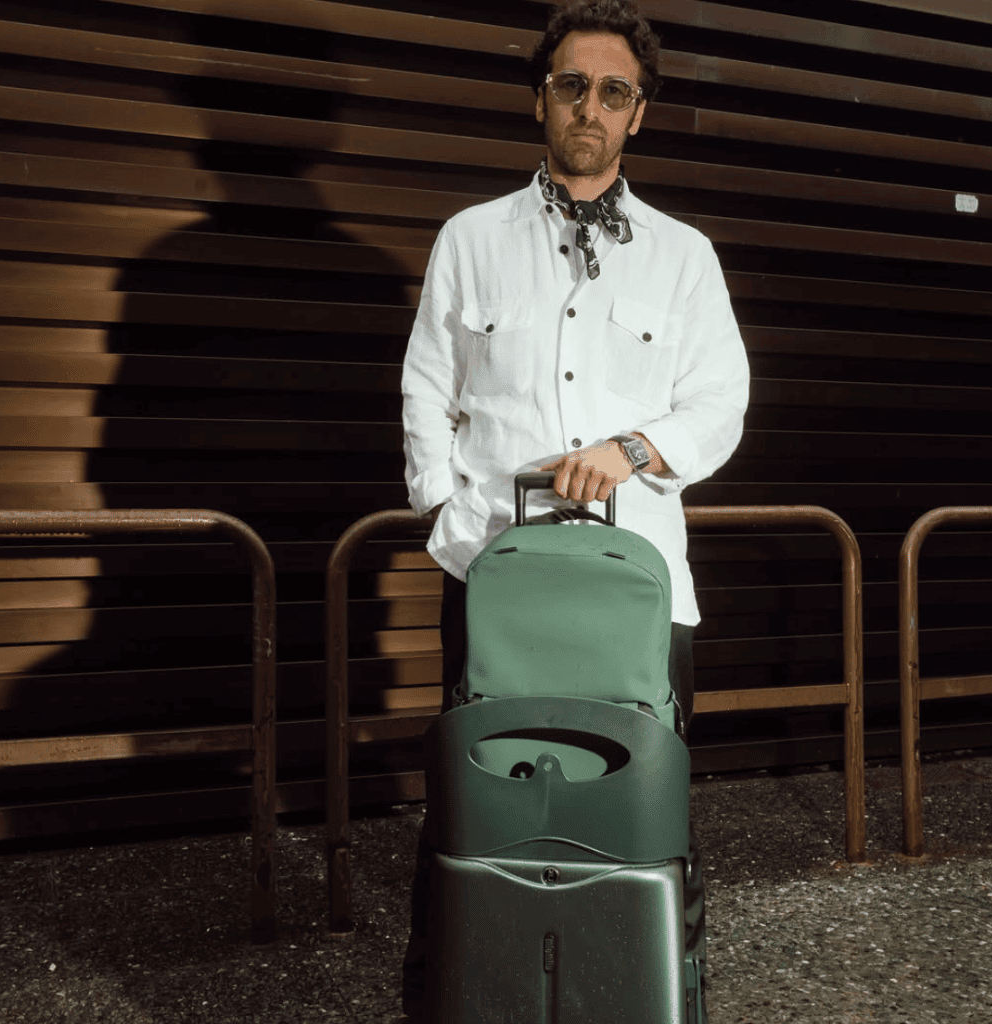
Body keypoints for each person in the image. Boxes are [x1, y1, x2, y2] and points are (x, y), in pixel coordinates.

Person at [399, 0, 749, 1018]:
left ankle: (651, 994)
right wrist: (447, 516)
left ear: (638, 113)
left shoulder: (683, 255)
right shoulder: (470, 239)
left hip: (640, 588)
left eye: (613, 91)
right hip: (495, 579)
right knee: (473, 802)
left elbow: (720, 403)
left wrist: (628, 450)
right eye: (571, 86)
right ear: (540, 99)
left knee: (644, 803)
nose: (589, 107)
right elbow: (427, 387)